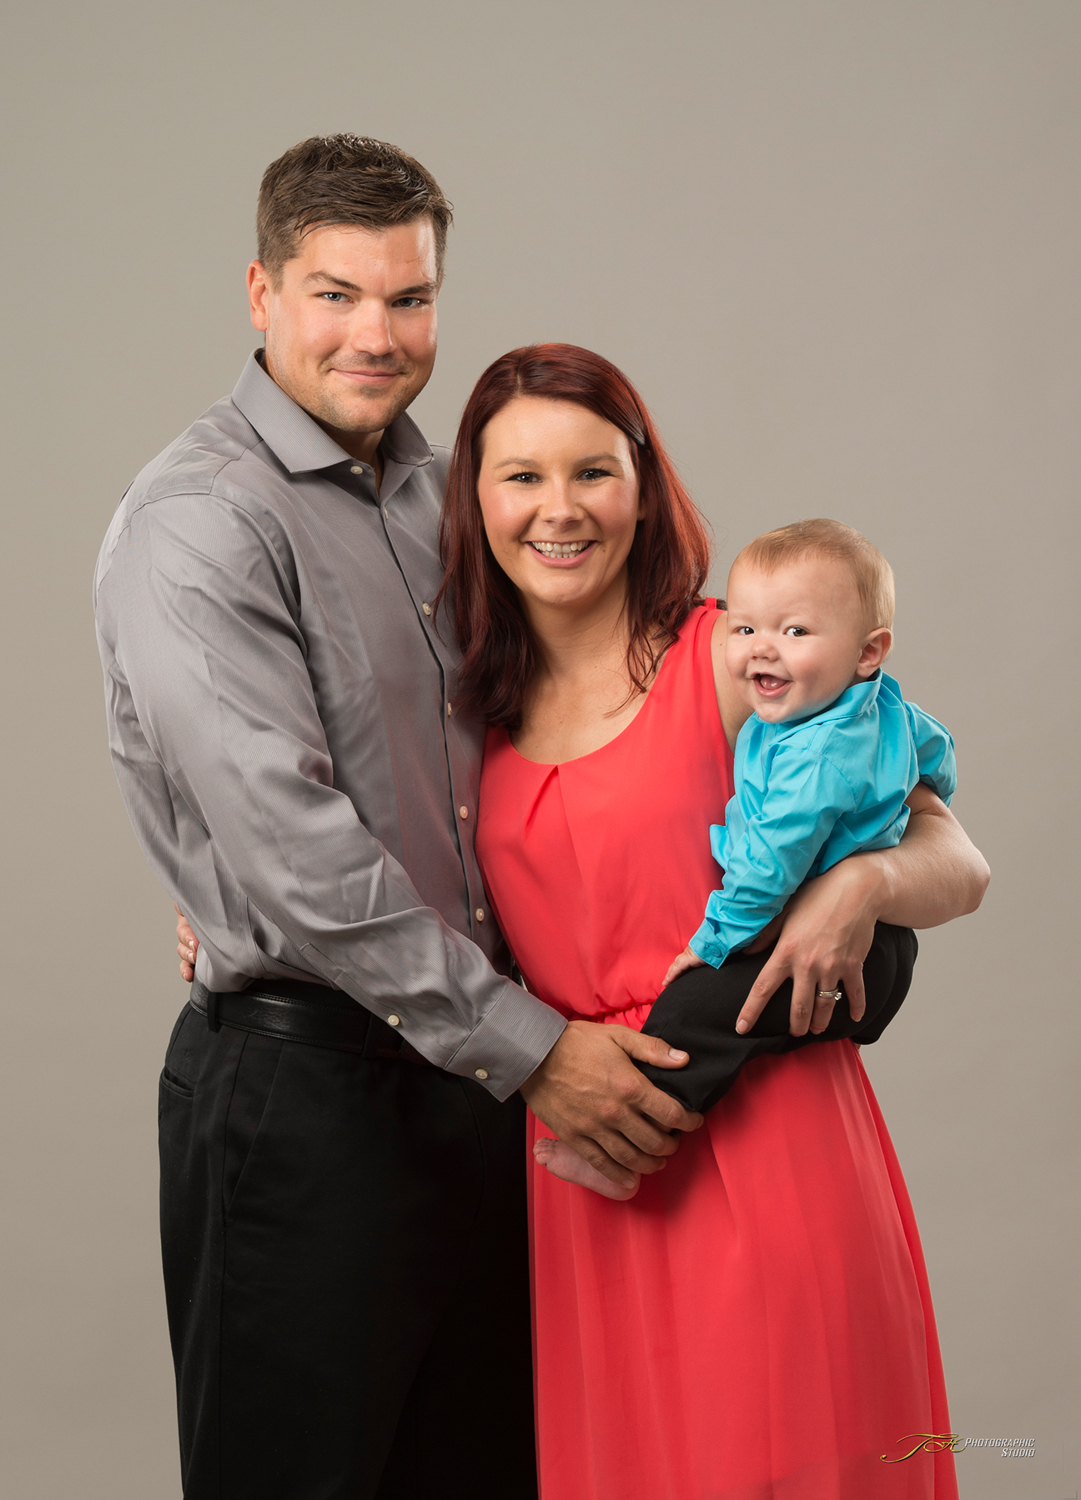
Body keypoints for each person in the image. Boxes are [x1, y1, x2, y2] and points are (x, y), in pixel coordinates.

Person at [94, 135, 703, 1500]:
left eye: (409, 299)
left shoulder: (451, 493)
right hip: (309, 1095)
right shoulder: (198, 522)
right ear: (260, 293)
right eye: (333, 294)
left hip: (477, 1090)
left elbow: (555, 733)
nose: (376, 335)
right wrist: (542, 1053)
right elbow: (293, 852)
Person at [438, 342, 988, 1498]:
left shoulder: (735, 657)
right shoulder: (463, 705)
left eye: (593, 471)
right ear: (473, 499)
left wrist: (861, 887)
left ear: (643, 484)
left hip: (763, 1136)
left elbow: (957, 859)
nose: (559, 509)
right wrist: (222, 918)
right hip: (583, 1157)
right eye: (519, 476)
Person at [537, 516, 957, 1198]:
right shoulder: (859, 706)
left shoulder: (816, 754)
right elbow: (931, 744)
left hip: (844, 950)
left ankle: (624, 1152)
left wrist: (713, 941)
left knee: (697, 1007)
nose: (763, 650)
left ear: (866, 651)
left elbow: (769, 865)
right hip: (872, 947)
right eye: (745, 629)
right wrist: (933, 776)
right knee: (722, 1014)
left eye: (794, 632)